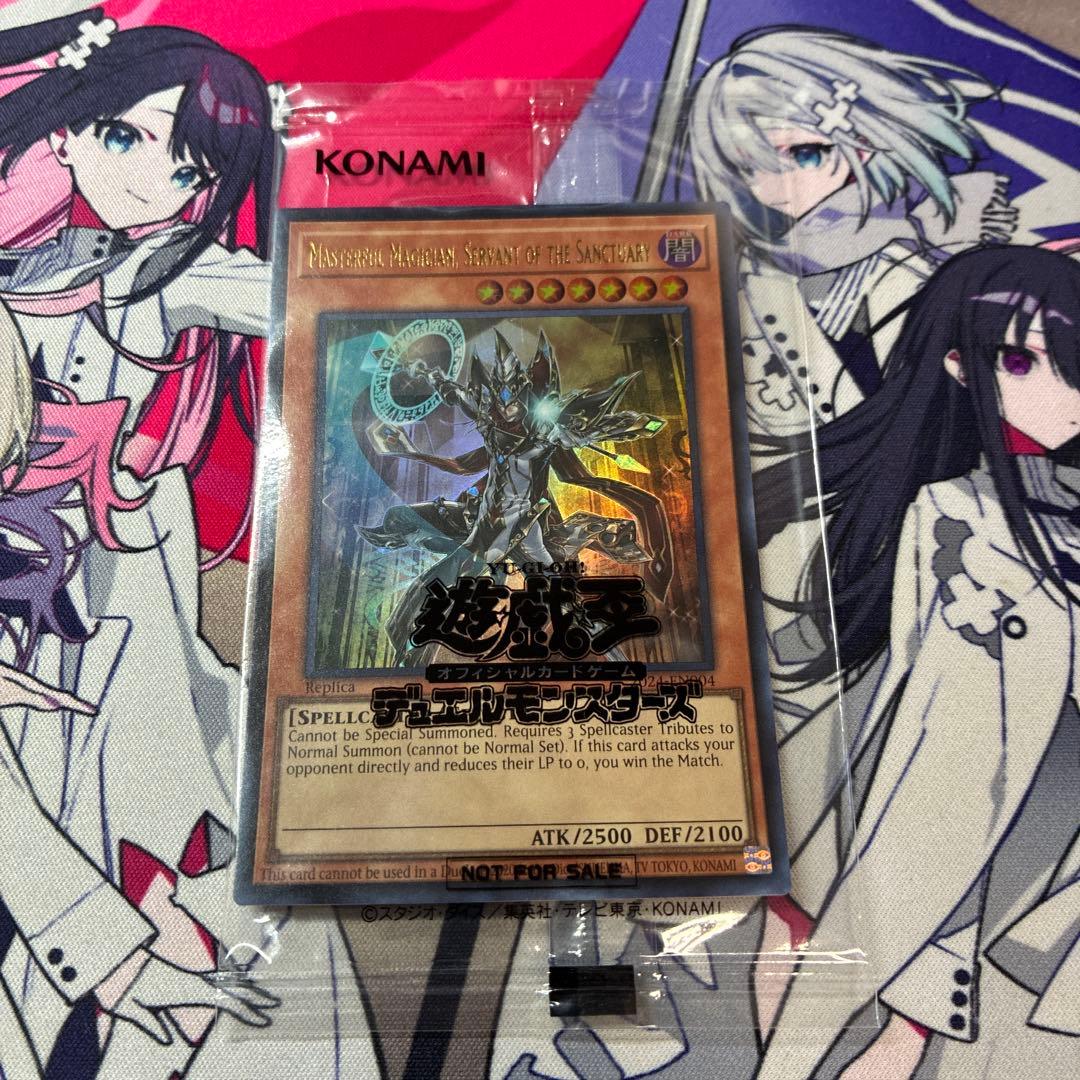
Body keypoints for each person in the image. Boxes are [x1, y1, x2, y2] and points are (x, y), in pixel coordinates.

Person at [0, 11, 373, 1077]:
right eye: (124, 137)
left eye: (187, 169)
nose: (148, 182)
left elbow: (317, 294)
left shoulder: (147, 289)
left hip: (105, 641)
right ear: (68, 131)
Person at [752, 245, 1080, 1078]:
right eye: (1019, 361)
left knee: (912, 1007)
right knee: (818, 944)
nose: (1057, 391)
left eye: (1070, 363)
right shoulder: (948, 504)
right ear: (961, 366)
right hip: (896, 763)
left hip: (1013, 788)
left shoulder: (1054, 516)